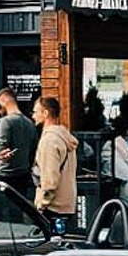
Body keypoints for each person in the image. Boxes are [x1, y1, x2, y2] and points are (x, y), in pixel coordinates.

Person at [32, 94, 79, 234]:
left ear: (45, 113)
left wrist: (41, 204)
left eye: (35, 112)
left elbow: (50, 180)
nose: (33, 116)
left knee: (50, 245)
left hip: (53, 207)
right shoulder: (64, 136)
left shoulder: (49, 140)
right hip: (66, 203)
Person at [0, 87, 37, 198]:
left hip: (5, 174)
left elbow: (0, 148)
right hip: (23, 174)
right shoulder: (29, 123)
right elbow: (33, 149)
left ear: (4, 101)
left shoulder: (5, 121)